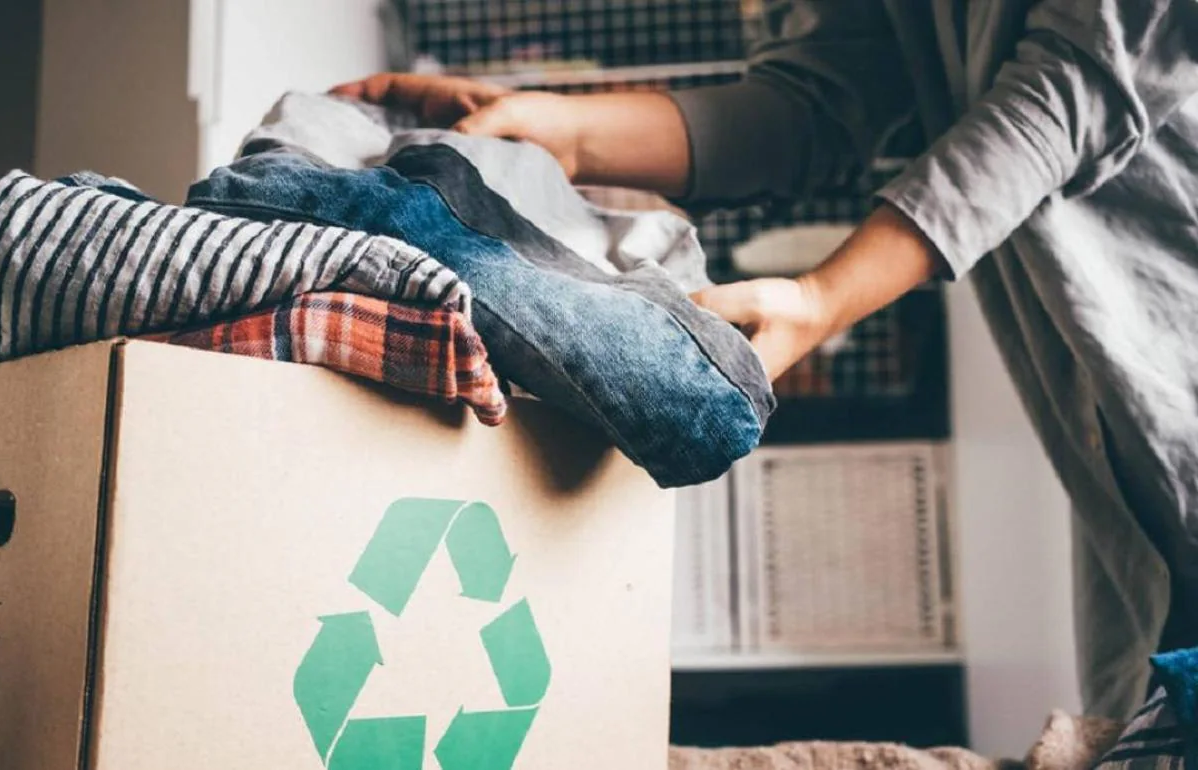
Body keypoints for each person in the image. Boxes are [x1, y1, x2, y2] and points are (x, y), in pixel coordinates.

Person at [334, 1, 1198, 719]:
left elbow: (1074, 92)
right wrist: (567, 132)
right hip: (1113, 467)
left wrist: (824, 300)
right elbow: (815, 105)